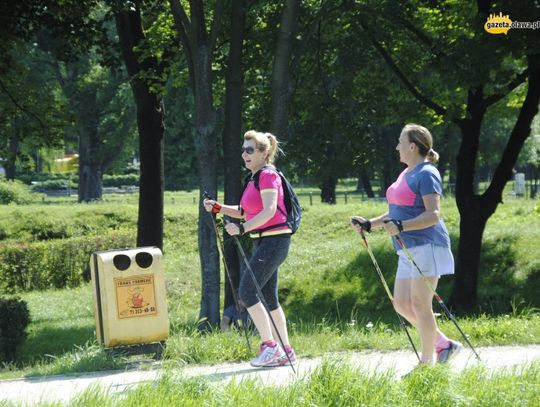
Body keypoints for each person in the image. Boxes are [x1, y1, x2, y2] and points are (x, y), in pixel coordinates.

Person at [351, 123, 462, 366]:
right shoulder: (406, 173)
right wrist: (370, 224)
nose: (397, 146)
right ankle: (443, 344)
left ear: (412, 146)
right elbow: (395, 212)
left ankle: (427, 363)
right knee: (401, 303)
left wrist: (402, 226)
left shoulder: (427, 173)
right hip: (406, 248)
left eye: (401, 142)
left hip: (427, 245)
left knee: (420, 303)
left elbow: (433, 214)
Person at [203, 130, 297, 367]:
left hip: (274, 240)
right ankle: (286, 351)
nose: (244, 154)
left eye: (250, 150)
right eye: (243, 150)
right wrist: (218, 207)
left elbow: (270, 210)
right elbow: (246, 211)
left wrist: (242, 229)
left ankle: (270, 347)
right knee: (268, 298)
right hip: (264, 241)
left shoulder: (267, 176)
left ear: (264, 153)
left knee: (246, 292)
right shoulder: (254, 179)